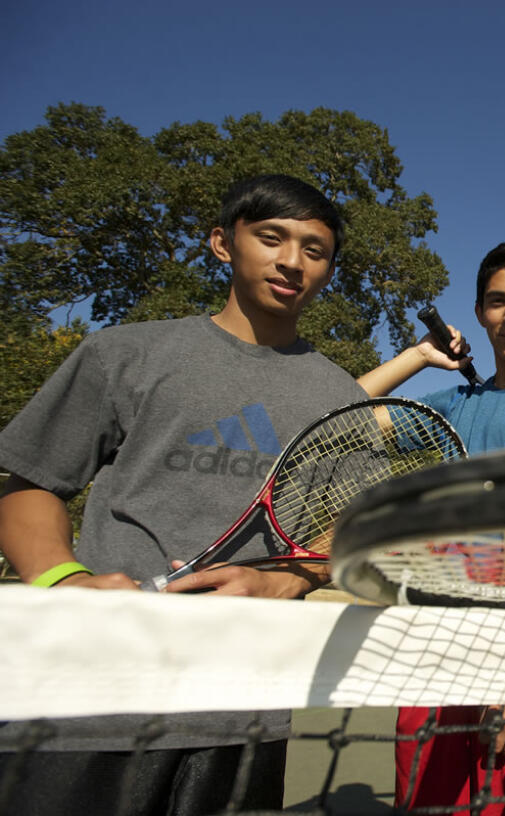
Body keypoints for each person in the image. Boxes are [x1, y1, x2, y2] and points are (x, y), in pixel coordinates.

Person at [0, 174, 367, 815]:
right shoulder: (124, 353)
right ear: (223, 244)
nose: (292, 261)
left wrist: (284, 580)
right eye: (272, 238)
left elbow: (345, 529)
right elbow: (31, 483)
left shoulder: (344, 399)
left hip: (249, 710)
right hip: (95, 695)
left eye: (315, 250)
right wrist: (61, 580)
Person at [359, 240, 505, 815]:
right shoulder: (452, 402)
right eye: (497, 302)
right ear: (478, 313)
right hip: (435, 643)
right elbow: (340, 410)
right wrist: (419, 356)